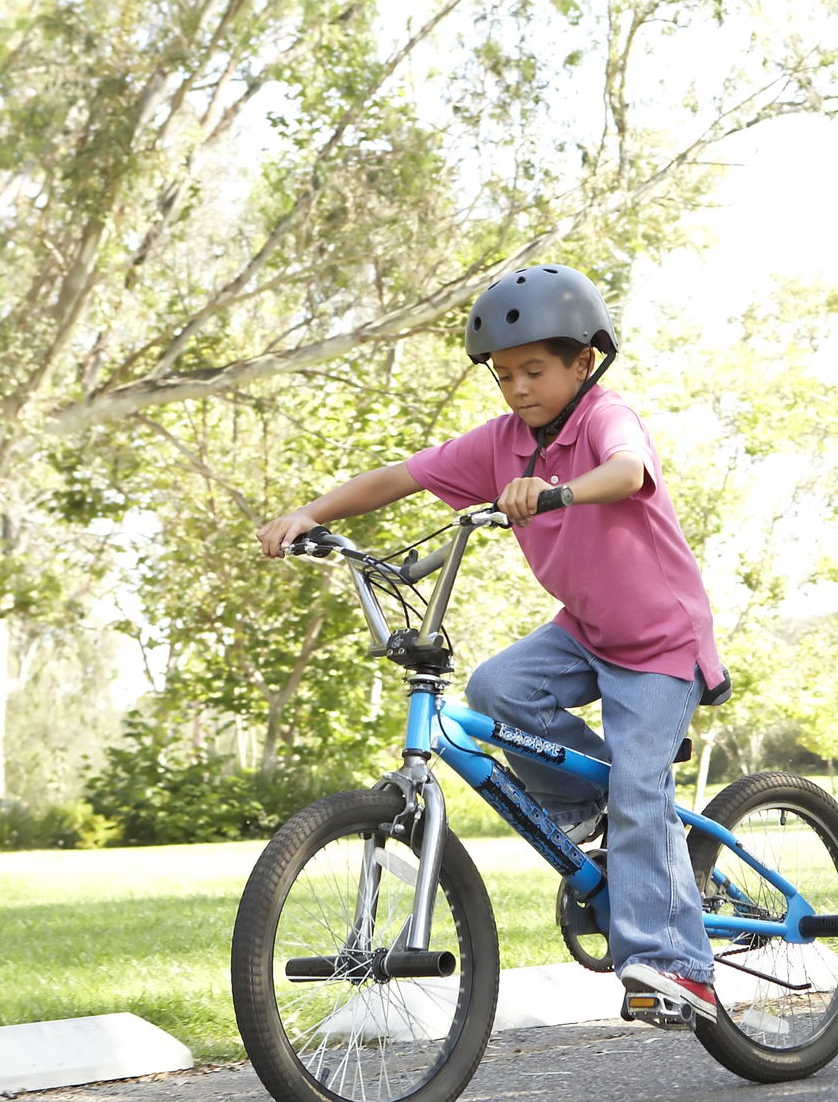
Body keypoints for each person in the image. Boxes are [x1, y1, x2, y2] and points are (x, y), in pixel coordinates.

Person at [255, 264, 727, 1022]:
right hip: (584, 630)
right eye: (504, 375)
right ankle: (601, 805)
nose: (517, 388)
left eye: (534, 370)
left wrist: (558, 491)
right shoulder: (503, 444)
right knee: (497, 689)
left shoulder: (606, 418)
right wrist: (309, 513)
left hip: (661, 641)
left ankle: (679, 967)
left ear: (584, 361)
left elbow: (627, 468)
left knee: (642, 791)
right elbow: (400, 477)